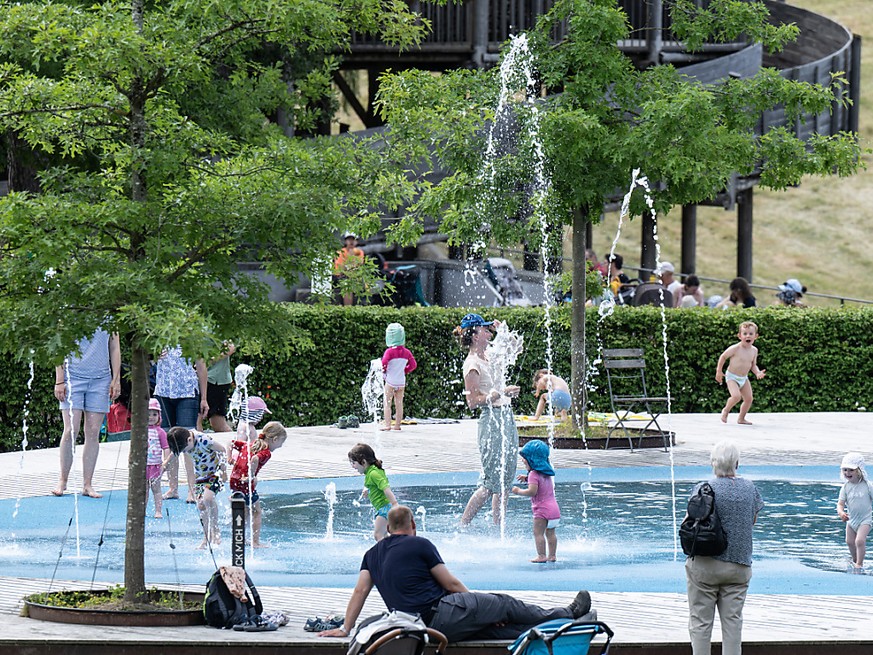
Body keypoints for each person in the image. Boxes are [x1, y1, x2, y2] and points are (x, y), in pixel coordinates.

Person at [318, 505, 594, 642]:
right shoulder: (419, 543)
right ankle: (568, 614)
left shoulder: (371, 554)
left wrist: (345, 628)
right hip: (440, 612)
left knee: (494, 630)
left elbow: (360, 591)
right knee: (505, 606)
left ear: (389, 529)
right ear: (413, 524)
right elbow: (449, 583)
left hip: (419, 629)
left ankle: (566, 630)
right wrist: (481, 606)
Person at [686, 440, 763, 655]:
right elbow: (752, 520)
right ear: (737, 463)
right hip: (738, 566)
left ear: (713, 463)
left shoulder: (702, 488)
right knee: (733, 624)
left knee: (700, 623)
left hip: (705, 566)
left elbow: (689, 522)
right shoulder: (750, 488)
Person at [453, 313, 521, 526]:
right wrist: (501, 392)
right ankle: (463, 525)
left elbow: (517, 347)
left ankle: (498, 527)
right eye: (484, 329)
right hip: (491, 421)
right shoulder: (472, 364)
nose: (488, 331)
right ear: (475, 335)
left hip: (505, 417)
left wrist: (503, 331)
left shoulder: (490, 354)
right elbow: (473, 402)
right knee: (491, 481)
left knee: (505, 479)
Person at [52, 328, 121, 498]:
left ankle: (87, 484)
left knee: (93, 431)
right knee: (71, 429)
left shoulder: (109, 314)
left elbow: (114, 346)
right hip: (72, 377)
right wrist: (59, 380)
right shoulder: (72, 308)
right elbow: (58, 345)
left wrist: (116, 379)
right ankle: (63, 479)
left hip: (101, 378)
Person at [154, 346, 209, 503]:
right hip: (164, 390)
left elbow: (201, 365)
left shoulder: (190, 332)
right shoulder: (158, 331)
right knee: (168, 441)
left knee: (187, 441)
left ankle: (192, 489)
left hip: (186, 391)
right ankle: (173, 488)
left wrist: (204, 397)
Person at [229, 421, 288, 548]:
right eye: (281, 443)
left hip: (235, 481)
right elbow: (255, 459)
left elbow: (230, 443)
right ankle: (255, 542)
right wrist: (252, 475)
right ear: (275, 439)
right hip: (246, 483)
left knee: (243, 509)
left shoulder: (251, 444)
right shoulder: (266, 452)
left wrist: (230, 458)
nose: (281, 446)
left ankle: (241, 538)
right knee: (257, 511)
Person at [166, 426, 227, 548]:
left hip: (215, 474)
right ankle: (206, 537)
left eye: (184, 450)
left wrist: (223, 469)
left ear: (189, 440)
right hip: (200, 477)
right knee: (201, 505)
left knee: (208, 498)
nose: (184, 452)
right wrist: (164, 465)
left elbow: (222, 449)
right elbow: (174, 454)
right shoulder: (184, 442)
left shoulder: (204, 440)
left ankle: (216, 531)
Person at [512, 441, 561, 563]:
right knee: (551, 534)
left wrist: (518, 491)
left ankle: (541, 555)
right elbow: (541, 481)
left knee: (538, 533)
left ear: (532, 459)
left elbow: (532, 491)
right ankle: (552, 555)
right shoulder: (547, 473)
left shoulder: (533, 474)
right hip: (554, 510)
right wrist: (527, 478)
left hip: (542, 511)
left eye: (525, 458)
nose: (523, 460)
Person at [715, 321, 766, 425]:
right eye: (745, 333)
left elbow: (753, 365)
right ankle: (726, 410)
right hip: (732, 377)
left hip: (744, 378)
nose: (748, 336)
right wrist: (719, 371)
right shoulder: (736, 348)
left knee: (749, 398)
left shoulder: (754, 350)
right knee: (736, 396)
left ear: (756, 336)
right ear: (739, 336)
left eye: (751, 334)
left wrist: (757, 373)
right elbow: (723, 356)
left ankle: (741, 418)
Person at [348, 443, 398, 541]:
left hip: (385, 509)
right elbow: (372, 484)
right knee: (385, 535)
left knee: (378, 535)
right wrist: (367, 489)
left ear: (363, 462)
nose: (353, 466)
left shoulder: (374, 473)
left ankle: (385, 553)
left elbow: (385, 488)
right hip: (383, 508)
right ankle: (392, 550)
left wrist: (394, 504)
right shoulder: (370, 472)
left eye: (353, 463)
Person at [836, 452, 873, 572]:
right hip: (851, 520)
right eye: (845, 470)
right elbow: (840, 504)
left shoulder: (868, 486)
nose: (847, 473)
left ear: (859, 470)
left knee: (860, 541)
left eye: (851, 470)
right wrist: (841, 513)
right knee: (849, 542)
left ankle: (859, 564)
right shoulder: (845, 487)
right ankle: (855, 559)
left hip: (865, 519)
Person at [381, 323, 417, 431]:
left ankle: (387, 425)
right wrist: (405, 370)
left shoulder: (389, 352)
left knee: (387, 403)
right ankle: (397, 425)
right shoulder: (407, 352)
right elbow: (413, 365)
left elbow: (384, 363)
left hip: (390, 381)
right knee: (399, 404)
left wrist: (384, 371)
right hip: (401, 381)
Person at [200, 341, 235, 433]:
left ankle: (237, 445)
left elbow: (231, 348)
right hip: (198, 379)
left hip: (216, 380)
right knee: (196, 420)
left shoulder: (221, 328)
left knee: (218, 423)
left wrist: (208, 361)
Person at [146, 398, 170, 518]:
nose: (151, 417)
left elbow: (166, 448)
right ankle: (142, 510)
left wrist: (165, 462)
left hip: (155, 465)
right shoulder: (141, 431)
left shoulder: (160, 432)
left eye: (154, 414)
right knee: (143, 490)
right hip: (143, 465)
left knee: (156, 489)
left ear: (159, 416)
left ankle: (158, 510)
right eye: (148, 414)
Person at [333, 232, 366, 306]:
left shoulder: (359, 252)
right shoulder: (340, 252)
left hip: (356, 276)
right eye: (349, 239)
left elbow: (359, 266)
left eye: (353, 239)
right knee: (347, 285)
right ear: (345, 241)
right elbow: (340, 269)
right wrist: (350, 260)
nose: (351, 242)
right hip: (342, 277)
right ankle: (348, 309)